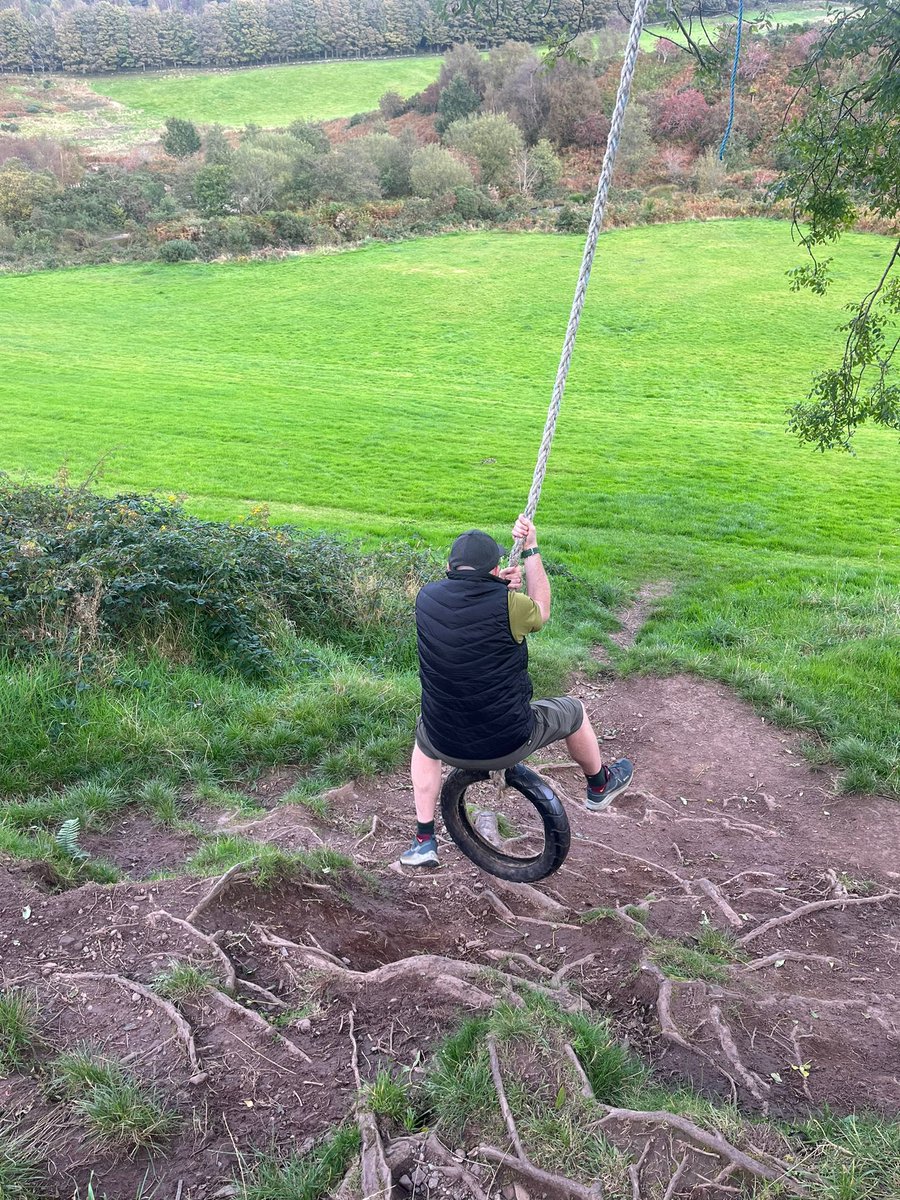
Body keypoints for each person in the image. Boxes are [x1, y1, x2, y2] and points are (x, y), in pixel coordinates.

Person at [401, 514, 634, 867]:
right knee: (574, 711)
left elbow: (471, 610)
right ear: (496, 568)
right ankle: (600, 784)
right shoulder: (512, 606)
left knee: (423, 735)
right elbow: (541, 608)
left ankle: (423, 839)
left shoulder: (426, 599)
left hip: (445, 740)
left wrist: (498, 588)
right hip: (507, 741)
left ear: (449, 566)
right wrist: (531, 549)